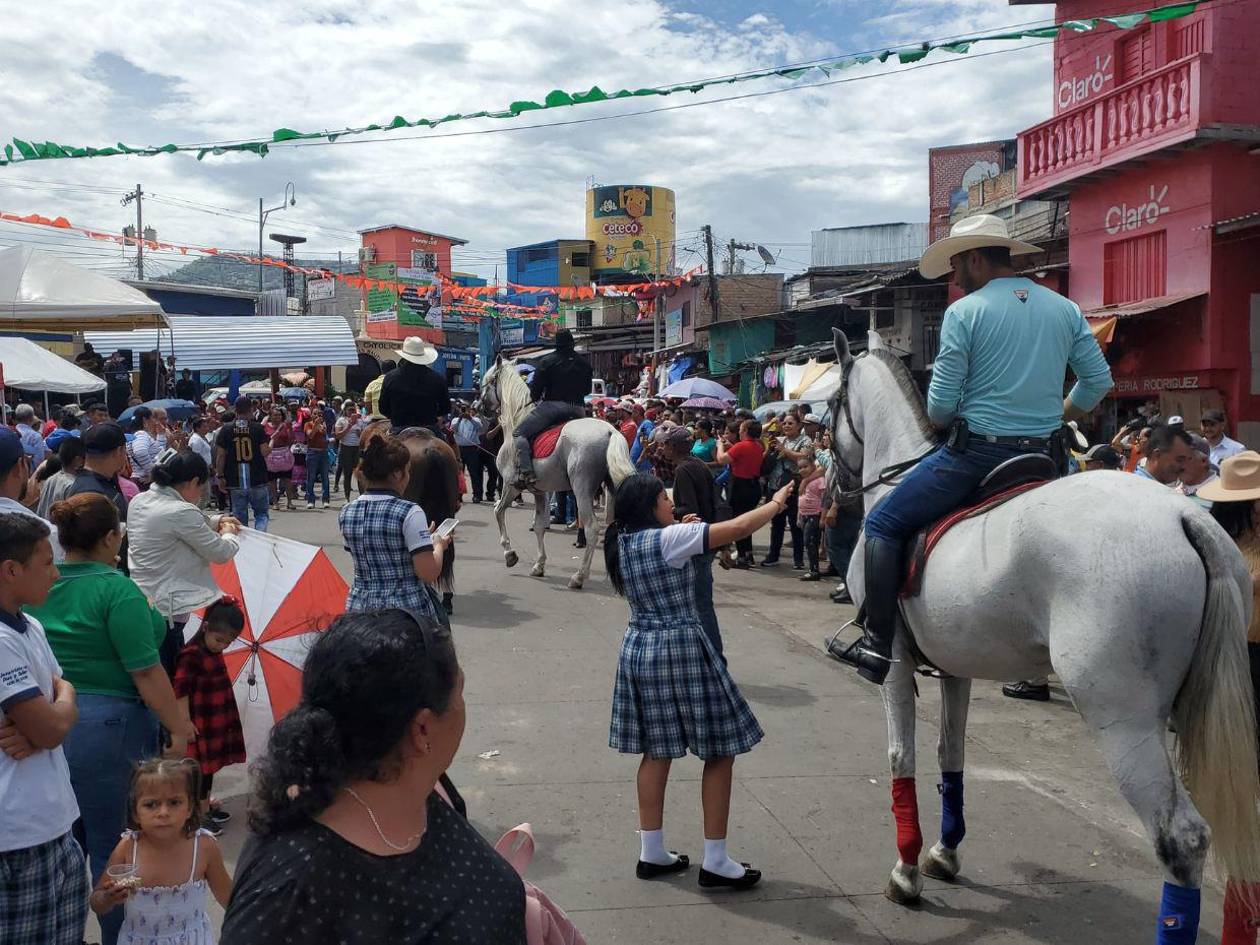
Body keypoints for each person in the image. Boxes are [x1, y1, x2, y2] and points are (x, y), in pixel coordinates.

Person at [848, 214, 1114, 685]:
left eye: (955, 266)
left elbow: (941, 408)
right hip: (1046, 458)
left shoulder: (965, 313)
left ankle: (875, 643)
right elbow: (1098, 381)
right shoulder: (1065, 308)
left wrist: (950, 421)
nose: (954, 277)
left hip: (978, 457)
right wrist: (1060, 415)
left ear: (975, 258)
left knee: (884, 522)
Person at [222, 609, 531, 943]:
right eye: (460, 693)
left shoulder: (421, 794)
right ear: (423, 729)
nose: (463, 706)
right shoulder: (286, 887)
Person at [606, 473, 795, 891]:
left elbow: (671, 542)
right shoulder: (672, 539)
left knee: (656, 751)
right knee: (720, 749)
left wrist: (681, 528)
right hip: (681, 647)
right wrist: (777, 502)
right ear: (649, 506)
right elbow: (741, 528)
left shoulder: (624, 540)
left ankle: (651, 851)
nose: (669, 502)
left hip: (640, 646)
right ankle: (716, 859)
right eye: (663, 498)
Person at [30, 493, 196, 945]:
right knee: (115, 847)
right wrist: (179, 729)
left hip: (45, 724)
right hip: (111, 726)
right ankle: (118, 937)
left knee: (63, 844)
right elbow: (146, 671)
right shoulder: (117, 591)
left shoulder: (39, 586)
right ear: (111, 538)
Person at [0, 513, 87, 945]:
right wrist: (48, 722)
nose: (56, 573)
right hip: (16, 839)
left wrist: (51, 716)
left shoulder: (29, 625)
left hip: (56, 822)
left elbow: (60, 691)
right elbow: (51, 725)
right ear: (11, 570)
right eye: (47, 563)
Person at [126, 448, 241, 676]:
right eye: (201, 487)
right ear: (194, 482)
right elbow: (220, 552)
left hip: (142, 600)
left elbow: (183, 524)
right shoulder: (179, 511)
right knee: (171, 676)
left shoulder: (140, 500)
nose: (200, 494)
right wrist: (229, 533)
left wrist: (216, 520)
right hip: (168, 611)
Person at [91, 758, 231, 942]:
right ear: (135, 812)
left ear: (189, 808)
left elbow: (230, 900)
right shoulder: (128, 847)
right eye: (151, 804)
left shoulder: (203, 847)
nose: (163, 812)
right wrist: (108, 898)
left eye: (174, 802)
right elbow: (96, 902)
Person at [338, 433, 452, 621]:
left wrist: (420, 539)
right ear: (397, 474)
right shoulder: (410, 511)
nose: (408, 476)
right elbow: (428, 572)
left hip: (359, 609)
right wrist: (438, 544)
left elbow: (375, 549)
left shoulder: (347, 511)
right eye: (408, 471)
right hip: (405, 611)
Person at [174, 598, 247, 834]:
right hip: (199, 721)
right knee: (200, 770)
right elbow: (180, 690)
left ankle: (205, 807)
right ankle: (199, 814)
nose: (222, 646)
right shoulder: (191, 654)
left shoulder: (212, 651)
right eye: (219, 640)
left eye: (228, 642)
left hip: (216, 717)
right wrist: (184, 721)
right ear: (205, 627)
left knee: (211, 767)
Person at [658, 425, 725, 660]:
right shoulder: (698, 465)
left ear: (675, 447)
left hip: (697, 541)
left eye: (665, 443)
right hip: (706, 538)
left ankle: (714, 656)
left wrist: (669, 509)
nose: (662, 447)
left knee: (700, 603)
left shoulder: (685, 470)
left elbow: (690, 510)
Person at [510, 329, 592, 487]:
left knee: (519, 433)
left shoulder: (547, 361)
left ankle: (526, 473)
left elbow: (536, 390)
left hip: (553, 408)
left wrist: (535, 398)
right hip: (579, 409)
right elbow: (587, 390)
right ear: (572, 343)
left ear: (556, 343)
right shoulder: (585, 363)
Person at [215, 396, 272, 532]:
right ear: (251, 409)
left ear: (235, 409)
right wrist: (272, 443)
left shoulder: (226, 429)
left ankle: (244, 545)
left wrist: (220, 476)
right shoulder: (257, 428)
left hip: (235, 479)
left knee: (239, 517)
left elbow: (220, 455)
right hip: (257, 477)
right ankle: (260, 538)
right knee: (261, 514)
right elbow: (265, 452)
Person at [714, 419, 765, 568]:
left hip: (740, 486)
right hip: (753, 486)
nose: (740, 432)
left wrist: (719, 447)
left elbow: (722, 459)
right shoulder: (758, 446)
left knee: (739, 521)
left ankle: (742, 556)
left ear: (746, 431)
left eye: (742, 430)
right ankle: (747, 554)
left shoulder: (742, 446)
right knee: (747, 520)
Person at [762, 414, 810, 570]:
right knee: (776, 524)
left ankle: (798, 559)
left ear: (799, 426)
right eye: (784, 423)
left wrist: (785, 450)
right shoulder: (779, 439)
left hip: (794, 487)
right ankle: (773, 555)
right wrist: (770, 449)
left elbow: (803, 458)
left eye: (791, 423)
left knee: (796, 525)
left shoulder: (805, 441)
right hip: (775, 486)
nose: (787, 426)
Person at [378, 336, 451, 436]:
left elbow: (383, 408)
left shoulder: (390, 377)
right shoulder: (438, 378)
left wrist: (396, 416)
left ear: (404, 356)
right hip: (429, 427)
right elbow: (446, 408)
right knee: (450, 446)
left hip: (399, 428)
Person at [796, 455, 826, 582]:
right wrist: (799, 516)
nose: (802, 470)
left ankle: (814, 570)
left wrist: (822, 517)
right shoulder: (803, 483)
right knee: (808, 542)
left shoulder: (819, 480)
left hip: (815, 514)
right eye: (800, 468)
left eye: (805, 467)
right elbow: (800, 499)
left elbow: (825, 499)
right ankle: (812, 568)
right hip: (804, 515)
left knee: (810, 542)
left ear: (813, 466)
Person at [333, 404, 367, 503]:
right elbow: (338, 436)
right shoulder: (341, 420)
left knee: (360, 474)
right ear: (345, 411)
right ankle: (347, 498)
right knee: (347, 474)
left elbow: (364, 437)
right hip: (345, 448)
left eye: (353, 410)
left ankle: (362, 497)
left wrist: (359, 434)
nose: (352, 412)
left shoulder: (360, 421)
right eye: (350, 410)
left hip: (357, 449)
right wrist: (349, 426)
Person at [452, 404, 485, 503]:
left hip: (472, 449)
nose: (464, 411)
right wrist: (460, 419)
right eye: (462, 409)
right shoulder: (455, 420)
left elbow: (480, 428)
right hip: (459, 449)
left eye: (465, 409)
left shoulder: (475, 420)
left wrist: (470, 418)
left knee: (474, 473)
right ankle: (458, 495)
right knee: (459, 473)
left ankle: (477, 495)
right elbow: (453, 430)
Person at [1177, 434, 1218, 505]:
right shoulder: (1172, 492)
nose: (1177, 464)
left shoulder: (1221, 493)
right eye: (1176, 459)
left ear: (1203, 461)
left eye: (1183, 458)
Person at [303, 407, 331, 510]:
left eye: (320, 414)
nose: (318, 416)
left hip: (323, 452)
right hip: (312, 452)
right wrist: (315, 424)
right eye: (315, 414)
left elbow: (325, 437)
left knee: (325, 477)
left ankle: (326, 499)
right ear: (311, 415)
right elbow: (310, 435)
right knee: (311, 478)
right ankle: (310, 500)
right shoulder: (308, 424)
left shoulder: (324, 425)